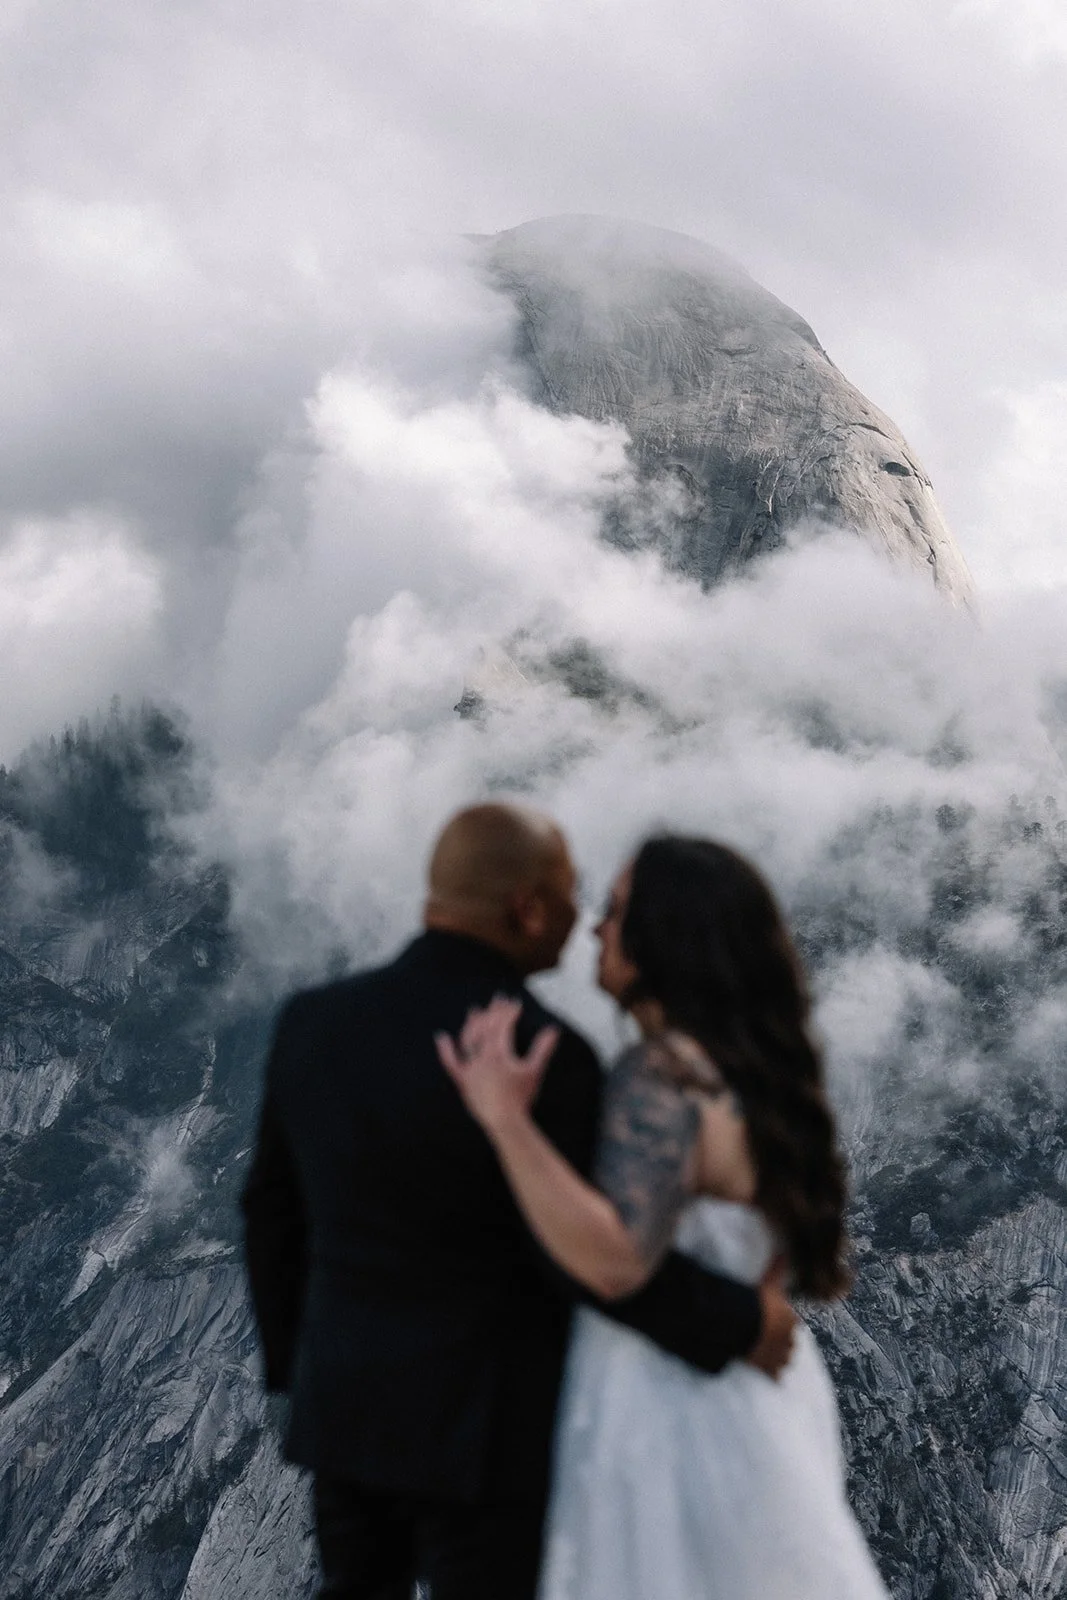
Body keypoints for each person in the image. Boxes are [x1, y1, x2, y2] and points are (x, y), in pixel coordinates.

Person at [240, 805, 796, 1600]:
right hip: (486, 1430)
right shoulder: (545, 1053)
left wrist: (301, 1371)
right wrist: (742, 1322)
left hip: (348, 1413)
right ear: (528, 908)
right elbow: (578, 1253)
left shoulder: (315, 1024)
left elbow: (270, 1213)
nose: (581, 917)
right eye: (570, 894)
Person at [438, 833, 892, 1600]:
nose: (595, 929)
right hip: (756, 1399)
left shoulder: (660, 1075)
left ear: (664, 936)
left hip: (663, 1400)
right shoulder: (753, 1082)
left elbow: (616, 1258)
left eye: (616, 912)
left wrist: (504, 1120)